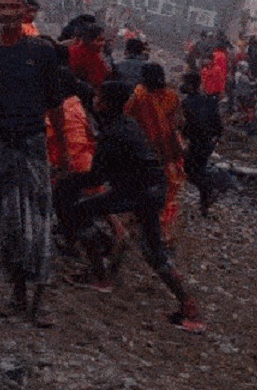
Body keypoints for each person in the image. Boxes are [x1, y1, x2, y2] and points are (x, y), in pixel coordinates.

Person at [55, 80, 206, 332]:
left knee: (81, 211)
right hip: (150, 189)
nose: (94, 102)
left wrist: (66, 178)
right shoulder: (127, 125)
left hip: (138, 193)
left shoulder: (113, 133)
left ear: (106, 103)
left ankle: (101, 277)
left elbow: (96, 177)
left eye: (99, 98)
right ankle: (188, 307)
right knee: (153, 249)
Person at [0, 0, 69, 326]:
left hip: (33, 145)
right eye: (1, 5)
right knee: (9, 224)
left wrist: (63, 154)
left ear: (24, 11)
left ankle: (40, 301)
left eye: (13, 5)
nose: (7, 11)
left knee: (39, 224)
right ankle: (17, 296)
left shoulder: (41, 53)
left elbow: (55, 105)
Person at [124, 62, 187, 243]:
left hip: (142, 150)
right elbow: (178, 123)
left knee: (140, 186)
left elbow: (128, 120)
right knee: (167, 190)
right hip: (166, 150)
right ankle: (163, 230)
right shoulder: (171, 96)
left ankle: (138, 222)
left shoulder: (138, 96)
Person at [180, 71, 224, 216]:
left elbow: (186, 125)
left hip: (196, 142)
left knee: (190, 171)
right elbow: (218, 123)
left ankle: (210, 190)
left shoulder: (187, 103)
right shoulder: (209, 100)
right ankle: (205, 203)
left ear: (190, 85)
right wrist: (216, 138)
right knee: (199, 169)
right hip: (207, 143)